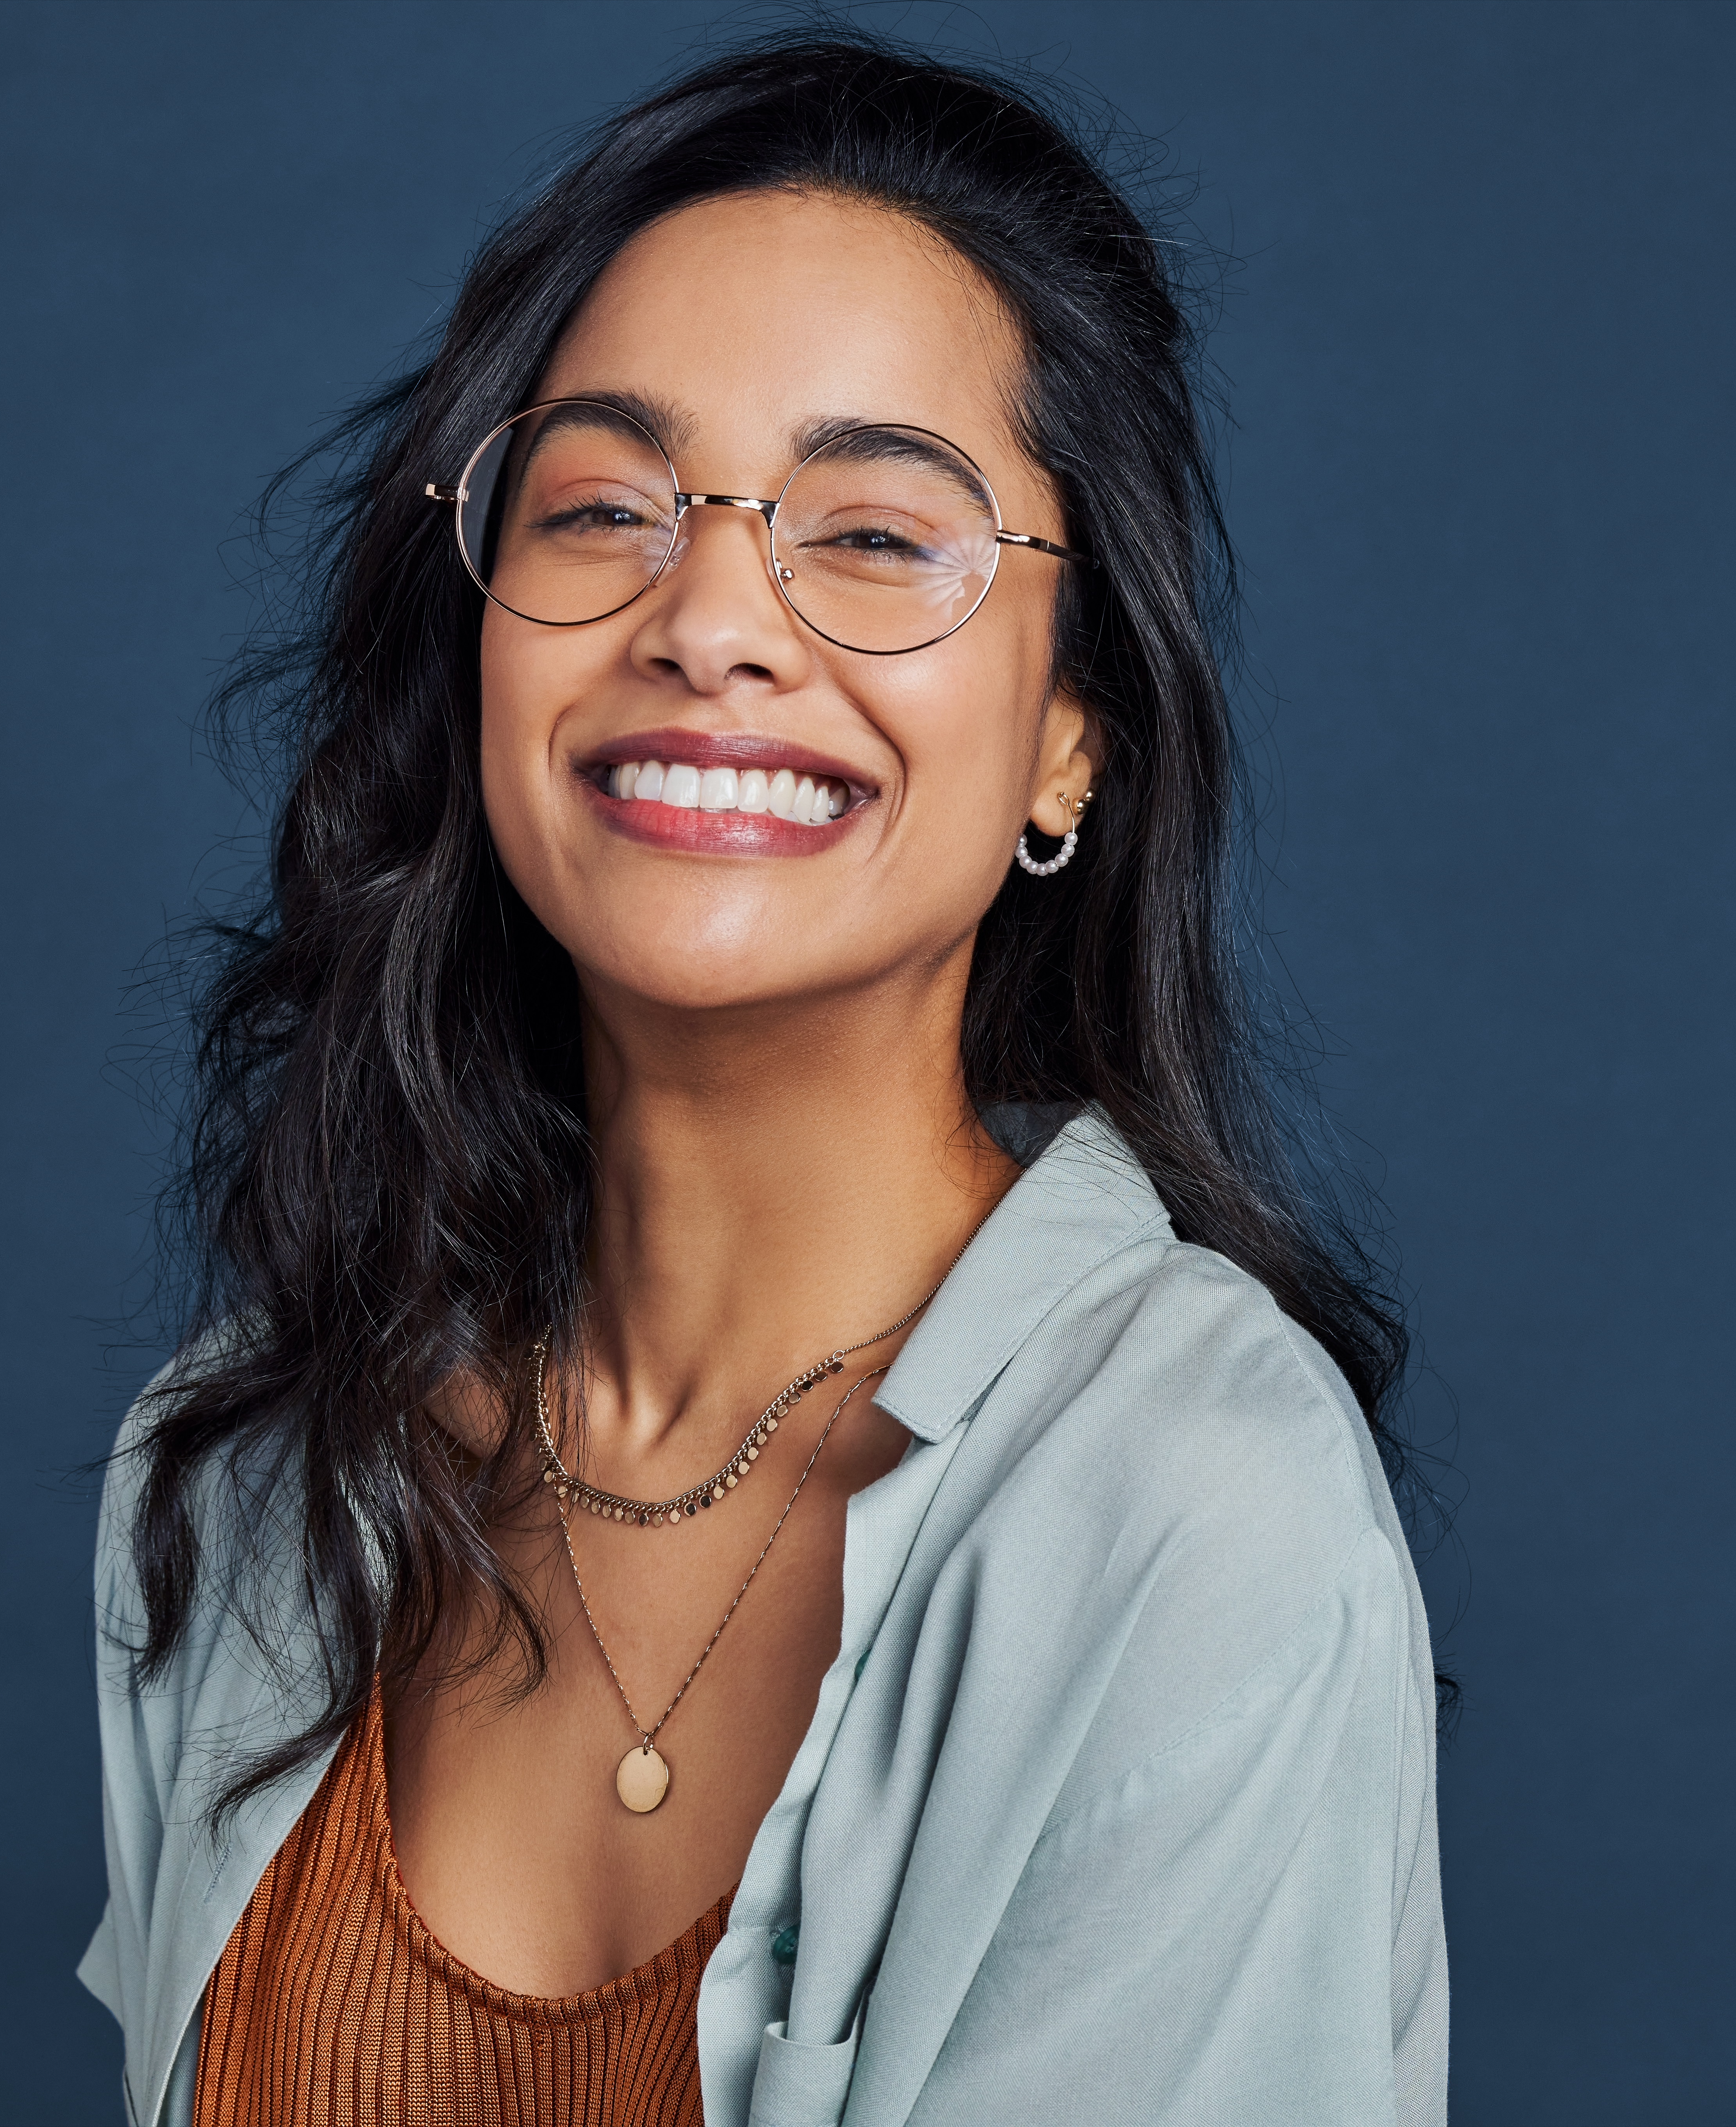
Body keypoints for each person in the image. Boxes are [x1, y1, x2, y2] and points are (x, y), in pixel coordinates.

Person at [79, 35, 1446, 2127]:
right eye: (603, 506)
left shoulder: (1188, 1502)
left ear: (1070, 737)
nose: (710, 616)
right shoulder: (246, 1471)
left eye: (878, 532)